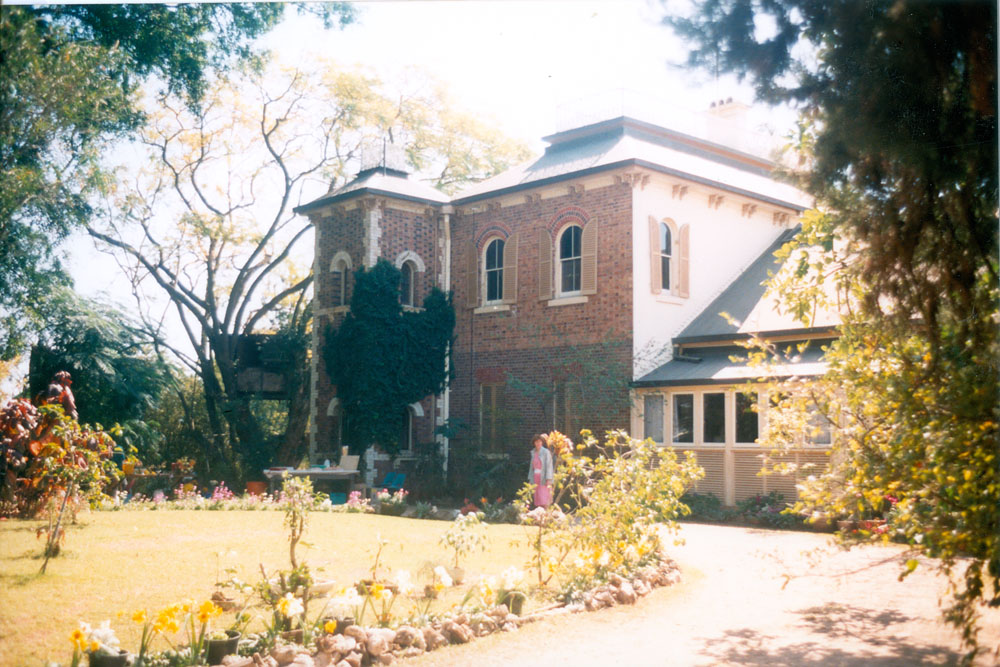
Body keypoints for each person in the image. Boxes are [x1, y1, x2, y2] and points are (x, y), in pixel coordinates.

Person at [528, 433, 554, 508]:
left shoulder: (546, 452)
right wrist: (530, 479)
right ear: (534, 443)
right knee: (538, 498)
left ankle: (547, 514)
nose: (538, 443)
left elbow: (549, 466)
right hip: (536, 478)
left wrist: (548, 479)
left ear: (542, 442)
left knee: (545, 497)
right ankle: (540, 515)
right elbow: (531, 467)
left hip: (543, 478)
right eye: (536, 442)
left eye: (539, 441)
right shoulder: (533, 453)